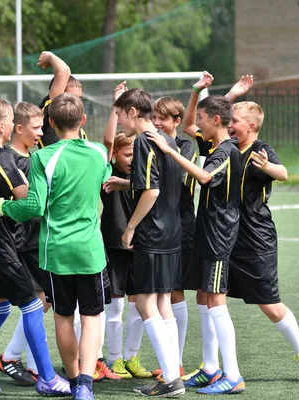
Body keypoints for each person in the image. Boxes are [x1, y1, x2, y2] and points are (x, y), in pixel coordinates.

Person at [0, 93, 112, 400]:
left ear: (52, 124)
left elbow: (33, 206)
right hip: (89, 251)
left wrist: (3, 207)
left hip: (56, 251)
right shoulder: (98, 152)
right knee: (92, 318)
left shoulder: (43, 157)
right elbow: (107, 177)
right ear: (83, 121)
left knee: (63, 318)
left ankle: (72, 381)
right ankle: (85, 383)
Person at [0, 98, 70, 396]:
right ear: (3, 126)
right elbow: (29, 203)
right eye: (9, 120)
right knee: (33, 305)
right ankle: (47, 378)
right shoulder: (4, 159)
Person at [147, 88, 245, 395]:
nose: (197, 124)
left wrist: (170, 151)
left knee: (216, 301)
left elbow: (204, 178)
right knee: (204, 298)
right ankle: (211, 368)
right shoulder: (216, 143)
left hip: (219, 236)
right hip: (208, 232)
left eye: (202, 118)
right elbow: (189, 123)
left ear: (216, 120)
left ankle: (233, 375)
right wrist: (198, 93)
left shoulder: (226, 151)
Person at [226, 100, 299, 382]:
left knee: (269, 304)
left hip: (256, 238)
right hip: (226, 234)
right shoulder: (228, 147)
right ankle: (212, 367)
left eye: (235, 121)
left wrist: (268, 167)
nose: (230, 125)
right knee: (210, 299)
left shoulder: (260, 150)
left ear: (251, 126)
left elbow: (283, 173)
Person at [112, 88, 185, 397]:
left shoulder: (143, 141)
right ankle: (172, 371)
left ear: (131, 111)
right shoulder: (166, 139)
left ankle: (171, 379)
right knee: (161, 302)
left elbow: (151, 191)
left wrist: (130, 228)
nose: (118, 122)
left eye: (118, 115)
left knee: (143, 301)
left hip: (153, 232)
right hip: (173, 230)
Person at [99, 82, 154, 380]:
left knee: (138, 307)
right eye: (127, 154)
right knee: (116, 306)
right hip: (114, 247)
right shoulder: (108, 174)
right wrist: (116, 105)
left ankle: (132, 357)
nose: (132, 158)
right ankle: (114, 359)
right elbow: (108, 141)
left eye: (135, 154)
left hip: (140, 244)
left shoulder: (141, 176)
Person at [0, 101, 50, 385]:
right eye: (36, 127)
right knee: (36, 301)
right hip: (20, 242)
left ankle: (17, 358)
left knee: (43, 300)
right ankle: (17, 359)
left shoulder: (37, 156)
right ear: (18, 128)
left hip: (39, 239)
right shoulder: (7, 159)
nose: (41, 132)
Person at [151, 96, 198, 379]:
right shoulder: (150, 144)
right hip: (156, 228)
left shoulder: (184, 147)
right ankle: (170, 361)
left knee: (175, 292)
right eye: (154, 118)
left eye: (162, 119)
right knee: (159, 294)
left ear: (176, 122)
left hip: (180, 226)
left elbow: (178, 177)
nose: (156, 123)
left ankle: (176, 362)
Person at [36, 51, 87, 148]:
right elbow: (63, 71)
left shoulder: (81, 133)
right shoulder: (52, 114)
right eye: (71, 98)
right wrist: (50, 56)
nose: (76, 102)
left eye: (79, 98)